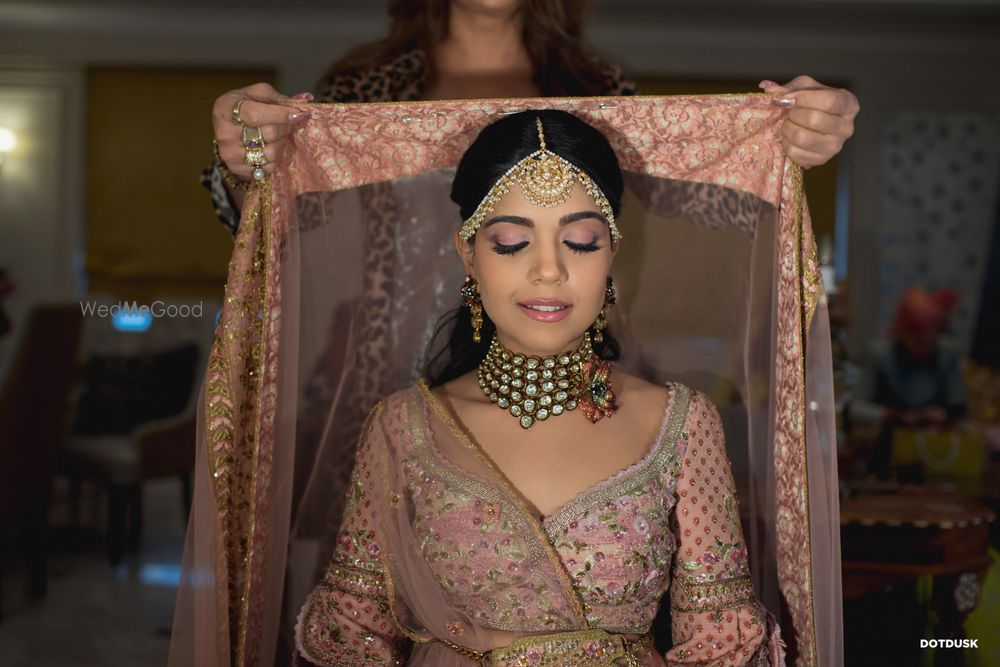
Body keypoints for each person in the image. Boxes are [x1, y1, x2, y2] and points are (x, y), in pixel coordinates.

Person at [292, 110, 785, 666]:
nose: (548, 270)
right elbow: (352, 632)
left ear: (612, 254)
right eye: (510, 243)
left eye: (579, 241)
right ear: (468, 253)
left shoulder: (679, 423)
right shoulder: (405, 426)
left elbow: (721, 641)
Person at [204, 0, 859, 236]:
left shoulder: (600, 92)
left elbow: (686, 210)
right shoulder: (357, 94)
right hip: (384, 390)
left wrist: (782, 141)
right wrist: (250, 163)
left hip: (559, 390)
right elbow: (292, 230)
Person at [850, 287, 968, 478]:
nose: (927, 341)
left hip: (934, 455)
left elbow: (959, 407)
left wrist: (940, 417)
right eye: (919, 335)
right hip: (886, 453)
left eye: (932, 334)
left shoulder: (947, 356)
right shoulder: (880, 356)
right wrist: (896, 416)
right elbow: (857, 408)